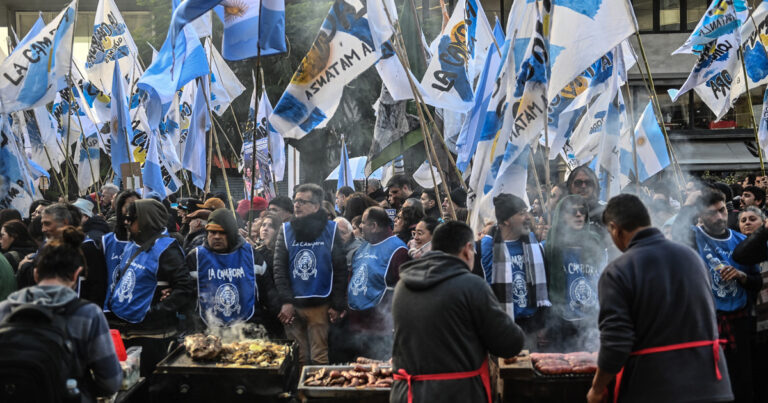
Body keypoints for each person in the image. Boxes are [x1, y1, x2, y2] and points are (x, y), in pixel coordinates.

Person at [586, 194, 733, 403]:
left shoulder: (618, 270)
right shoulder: (692, 258)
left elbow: (616, 342)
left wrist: (597, 389)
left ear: (614, 228)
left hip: (658, 388)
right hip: (712, 385)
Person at [391, 220, 525, 403]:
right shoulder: (472, 286)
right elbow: (510, 343)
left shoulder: (403, 286)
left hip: (408, 395)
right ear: (467, 249)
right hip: (457, 394)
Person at [0, 226, 122, 401]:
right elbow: (111, 382)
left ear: (35, 274)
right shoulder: (88, 315)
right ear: (76, 275)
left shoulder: (4, 309)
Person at [671, 188, 761, 402]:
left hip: (739, 323)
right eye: (712, 213)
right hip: (707, 324)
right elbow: (677, 233)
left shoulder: (741, 240)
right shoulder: (694, 237)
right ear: (701, 215)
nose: (720, 217)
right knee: (711, 387)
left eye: (722, 210)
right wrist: (688, 204)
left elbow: (756, 282)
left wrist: (741, 276)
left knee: (743, 383)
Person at [105, 199, 194, 376]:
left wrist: (156, 310)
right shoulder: (133, 243)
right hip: (126, 331)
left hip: (152, 335)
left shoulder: (167, 249)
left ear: (146, 220)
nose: (126, 222)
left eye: (131, 218)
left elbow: (185, 288)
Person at [272, 184, 347, 365]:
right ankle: (297, 393)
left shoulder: (331, 230)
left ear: (315, 206)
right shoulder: (285, 230)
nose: (296, 205)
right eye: (295, 201)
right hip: (292, 304)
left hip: (320, 303)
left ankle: (315, 391)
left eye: (302, 201)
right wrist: (286, 301)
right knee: (298, 356)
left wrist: (337, 304)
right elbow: (279, 269)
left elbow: (340, 268)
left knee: (319, 356)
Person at [186, 209, 278, 328]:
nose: (217, 237)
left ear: (231, 233)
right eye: (212, 232)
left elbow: (268, 290)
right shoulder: (195, 258)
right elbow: (186, 294)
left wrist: (282, 309)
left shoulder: (251, 255)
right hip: (208, 332)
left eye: (222, 232)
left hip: (248, 329)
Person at [479, 194, 549, 344]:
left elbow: (544, 286)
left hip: (532, 327)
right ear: (506, 220)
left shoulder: (532, 243)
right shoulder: (487, 246)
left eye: (527, 212)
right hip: (502, 326)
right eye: (521, 213)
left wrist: (542, 324)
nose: (528, 217)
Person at [345, 207, 409, 360]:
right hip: (356, 324)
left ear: (374, 226)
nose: (360, 226)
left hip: (379, 327)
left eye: (363, 223)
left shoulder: (398, 250)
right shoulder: (363, 247)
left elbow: (404, 289)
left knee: (375, 372)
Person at [544, 195, 606, 351]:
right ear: (562, 216)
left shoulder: (596, 243)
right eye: (572, 211)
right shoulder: (551, 246)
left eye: (582, 211)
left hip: (592, 320)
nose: (579, 215)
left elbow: (603, 279)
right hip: (562, 320)